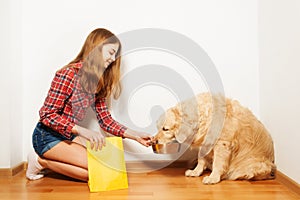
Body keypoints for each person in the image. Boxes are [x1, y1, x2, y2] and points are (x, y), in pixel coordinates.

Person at [26, 28, 153, 181]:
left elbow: (106, 121)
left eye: (115, 55)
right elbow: (47, 115)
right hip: (46, 136)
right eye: (111, 52)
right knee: (94, 172)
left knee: (102, 171)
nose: (113, 59)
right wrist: (82, 131)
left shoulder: (97, 82)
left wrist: (136, 135)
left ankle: (46, 160)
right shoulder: (68, 75)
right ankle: (40, 161)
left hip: (67, 136)